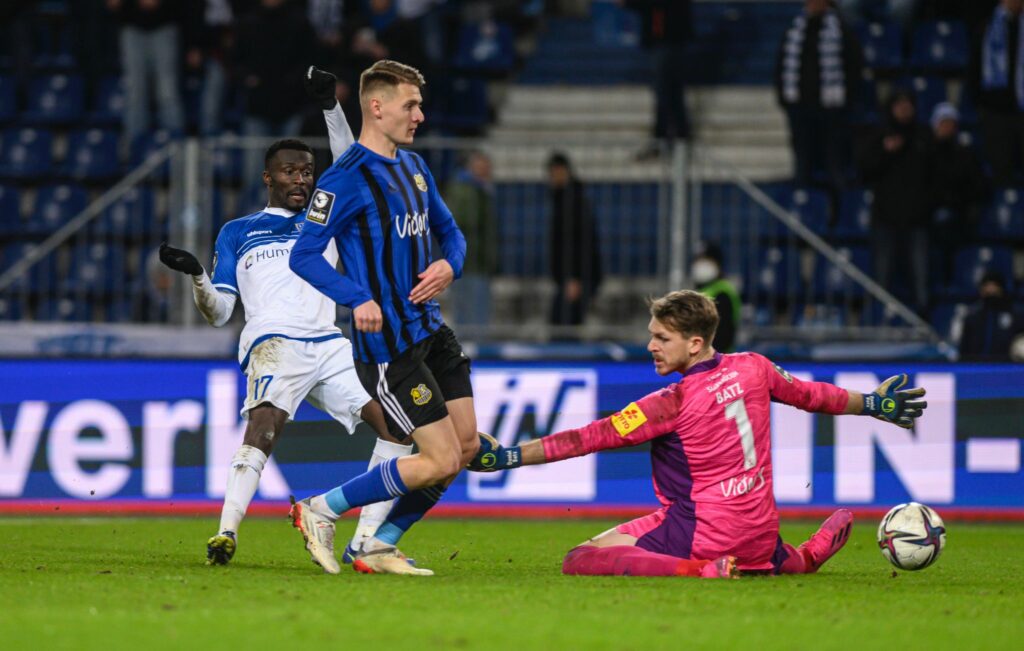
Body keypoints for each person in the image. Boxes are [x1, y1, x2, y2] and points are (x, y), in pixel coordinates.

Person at [468, 290, 927, 578]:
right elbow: (814, 395)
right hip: (760, 532)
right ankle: (799, 558)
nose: (650, 345)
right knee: (771, 552)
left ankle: (700, 571)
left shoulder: (672, 401)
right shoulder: (755, 368)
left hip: (702, 534)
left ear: (694, 343)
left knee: (580, 558)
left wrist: (506, 457)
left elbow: (590, 437)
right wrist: (874, 404)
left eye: (661, 338)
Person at [159, 68, 412, 567]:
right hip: (274, 342)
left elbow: (353, 164)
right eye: (290, 172)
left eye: (307, 172)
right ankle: (226, 534)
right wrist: (195, 277)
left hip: (332, 344)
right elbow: (221, 313)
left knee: (398, 430)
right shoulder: (238, 231)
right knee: (264, 427)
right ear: (267, 178)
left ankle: (365, 542)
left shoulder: (327, 216)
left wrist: (331, 108)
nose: (301, 179)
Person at [288, 59, 478, 577]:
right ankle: (319, 509)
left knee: (465, 446)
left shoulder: (415, 169)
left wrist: (448, 264)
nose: (420, 114)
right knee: (438, 458)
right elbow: (303, 254)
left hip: (431, 329)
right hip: (388, 344)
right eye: (410, 104)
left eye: (419, 104)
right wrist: (357, 297)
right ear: (376, 107)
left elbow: (453, 233)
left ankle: (377, 544)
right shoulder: (343, 179)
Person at [775, 0, 862, 204]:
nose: (812, 4)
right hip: (800, 107)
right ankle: (802, 208)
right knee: (802, 162)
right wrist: (784, 98)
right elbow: (781, 64)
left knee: (835, 163)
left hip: (832, 109)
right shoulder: (795, 28)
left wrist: (845, 98)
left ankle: (842, 212)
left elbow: (853, 64)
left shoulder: (840, 29)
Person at [857, 88, 931, 313]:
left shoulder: (923, 136)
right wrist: (885, 152)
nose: (903, 109)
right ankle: (880, 320)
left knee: (921, 277)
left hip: (918, 219)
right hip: (885, 218)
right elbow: (864, 171)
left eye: (907, 104)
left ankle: (925, 323)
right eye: (899, 104)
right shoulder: (880, 136)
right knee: (881, 278)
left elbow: (934, 174)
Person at [106, 0, 186, 145]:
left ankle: (175, 147)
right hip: (132, 26)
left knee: (167, 91)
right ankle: (135, 150)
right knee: (135, 91)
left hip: (164, 24)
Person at [928, 103, 989, 287]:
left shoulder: (965, 154)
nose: (947, 128)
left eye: (950, 123)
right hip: (927, 212)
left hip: (959, 212)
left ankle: (949, 280)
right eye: (942, 123)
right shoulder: (924, 152)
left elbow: (979, 186)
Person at [623, 0, 694, 157]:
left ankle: (665, 139)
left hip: (666, 40)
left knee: (666, 92)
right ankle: (679, 138)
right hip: (670, 40)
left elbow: (652, 5)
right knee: (673, 92)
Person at [969, 0, 1024, 186]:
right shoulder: (988, 27)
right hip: (996, 111)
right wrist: (982, 104)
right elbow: (975, 68)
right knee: (1000, 171)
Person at [547, 152, 602, 334]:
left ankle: (565, 362)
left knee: (563, 326)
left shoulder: (572, 201)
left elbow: (577, 240)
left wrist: (574, 277)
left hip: (575, 276)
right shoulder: (566, 197)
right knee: (565, 324)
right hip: (571, 275)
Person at [444, 149, 498, 329]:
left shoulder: (481, 190)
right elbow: (460, 220)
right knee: (470, 314)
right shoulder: (464, 189)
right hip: (467, 260)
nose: (487, 171)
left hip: (478, 260)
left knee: (477, 313)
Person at [958, 270, 1024, 361]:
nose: (990, 290)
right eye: (986, 286)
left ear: (1001, 289)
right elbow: (964, 349)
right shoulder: (972, 316)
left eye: (994, 286)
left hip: (1006, 368)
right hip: (974, 368)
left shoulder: (1016, 315)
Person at [691, 243, 741, 352]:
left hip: (717, 360)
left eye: (706, 260)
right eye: (698, 260)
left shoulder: (722, 292)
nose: (700, 264)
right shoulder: (704, 291)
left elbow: (723, 335)